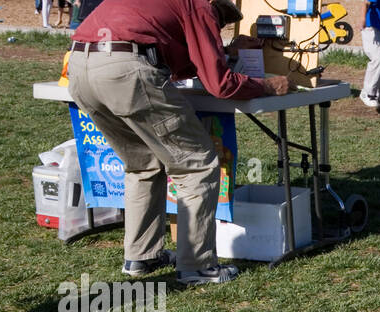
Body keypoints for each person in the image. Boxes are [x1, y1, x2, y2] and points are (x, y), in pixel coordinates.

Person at [67, 0, 290, 286]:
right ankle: (197, 265)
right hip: (125, 71)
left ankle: (141, 256)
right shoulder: (201, 5)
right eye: (218, 24)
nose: (215, 29)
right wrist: (269, 86)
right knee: (197, 165)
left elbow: (174, 59)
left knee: (143, 165)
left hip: (80, 67)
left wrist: (220, 52)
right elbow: (220, 85)